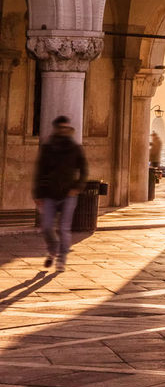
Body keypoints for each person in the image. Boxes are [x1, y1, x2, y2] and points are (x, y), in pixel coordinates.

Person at [34, 116, 87, 273]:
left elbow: (84, 170)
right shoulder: (48, 148)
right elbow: (39, 171)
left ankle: (61, 259)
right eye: (60, 128)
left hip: (68, 194)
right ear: (56, 129)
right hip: (49, 194)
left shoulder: (75, 148)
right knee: (46, 227)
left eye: (66, 128)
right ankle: (52, 249)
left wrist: (77, 187)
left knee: (64, 228)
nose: (63, 130)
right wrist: (37, 193)